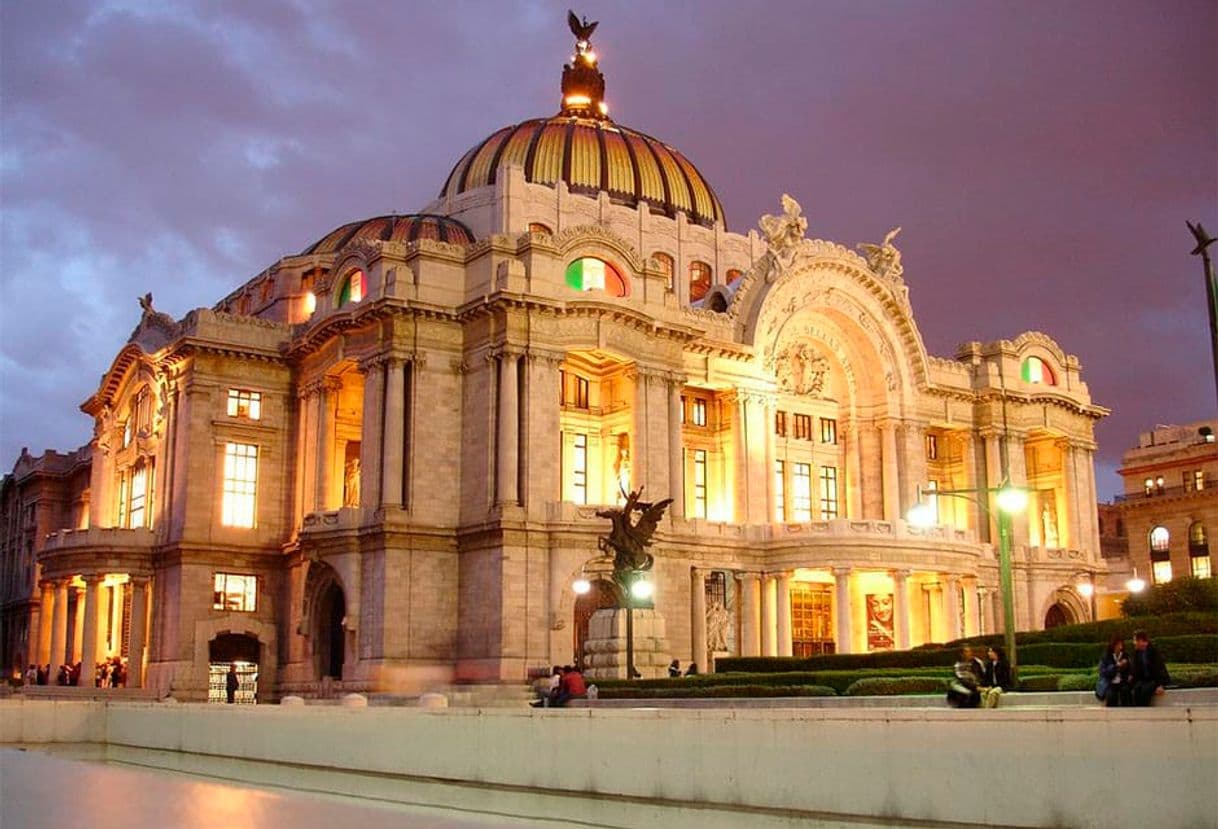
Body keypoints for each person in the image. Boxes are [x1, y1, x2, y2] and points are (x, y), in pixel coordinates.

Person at [1129, 629, 1169, 706]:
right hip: (1142, 680)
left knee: (1146, 690)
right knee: (1137, 690)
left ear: (1141, 641)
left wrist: (1160, 685)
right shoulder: (1136, 653)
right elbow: (1135, 670)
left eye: (1135, 640)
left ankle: (1143, 710)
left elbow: (1160, 668)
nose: (1134, 643)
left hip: (1153, 680)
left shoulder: (1153, 651)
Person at [1096, 635, 1132, 707]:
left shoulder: (1125, 655)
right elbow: (1103, 671)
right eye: (1118, 645)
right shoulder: (1106, 656)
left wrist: (1129, 674)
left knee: (1125, 692)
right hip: (1110, 682)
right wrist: (1117, 666)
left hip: (1122, 682)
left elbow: (1131, 669)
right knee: (1111, 695)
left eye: (1121, 645)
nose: (1120, 647)